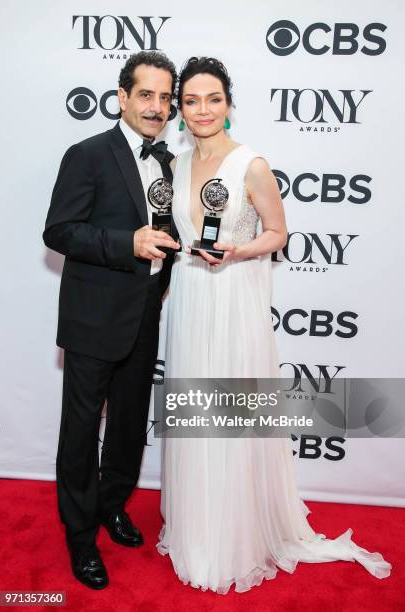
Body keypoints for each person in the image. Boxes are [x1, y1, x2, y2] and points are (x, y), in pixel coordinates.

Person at [156, 57, 392, 593]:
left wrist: (239, 252)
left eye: (212, 99)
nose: (202, 110)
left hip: (234, 297)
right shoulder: (174, 163)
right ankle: (197, 527)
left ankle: (233, 535)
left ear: (229, 104)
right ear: (180, 109)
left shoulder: (251, 164)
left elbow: (278, 233)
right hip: (193, 297)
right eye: (190, 101)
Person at [43, 51, 180, 590]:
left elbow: (165, 229)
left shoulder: (168, 161)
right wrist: (130, 243)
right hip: (93, 317)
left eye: (165, 97)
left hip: (144, 314)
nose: (157, 107)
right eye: (145, 95)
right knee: (81, 431)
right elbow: (59, 231)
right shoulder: (88, 154)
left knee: (126, 425)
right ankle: (80, 538)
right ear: (122, 96)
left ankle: (112, 504)